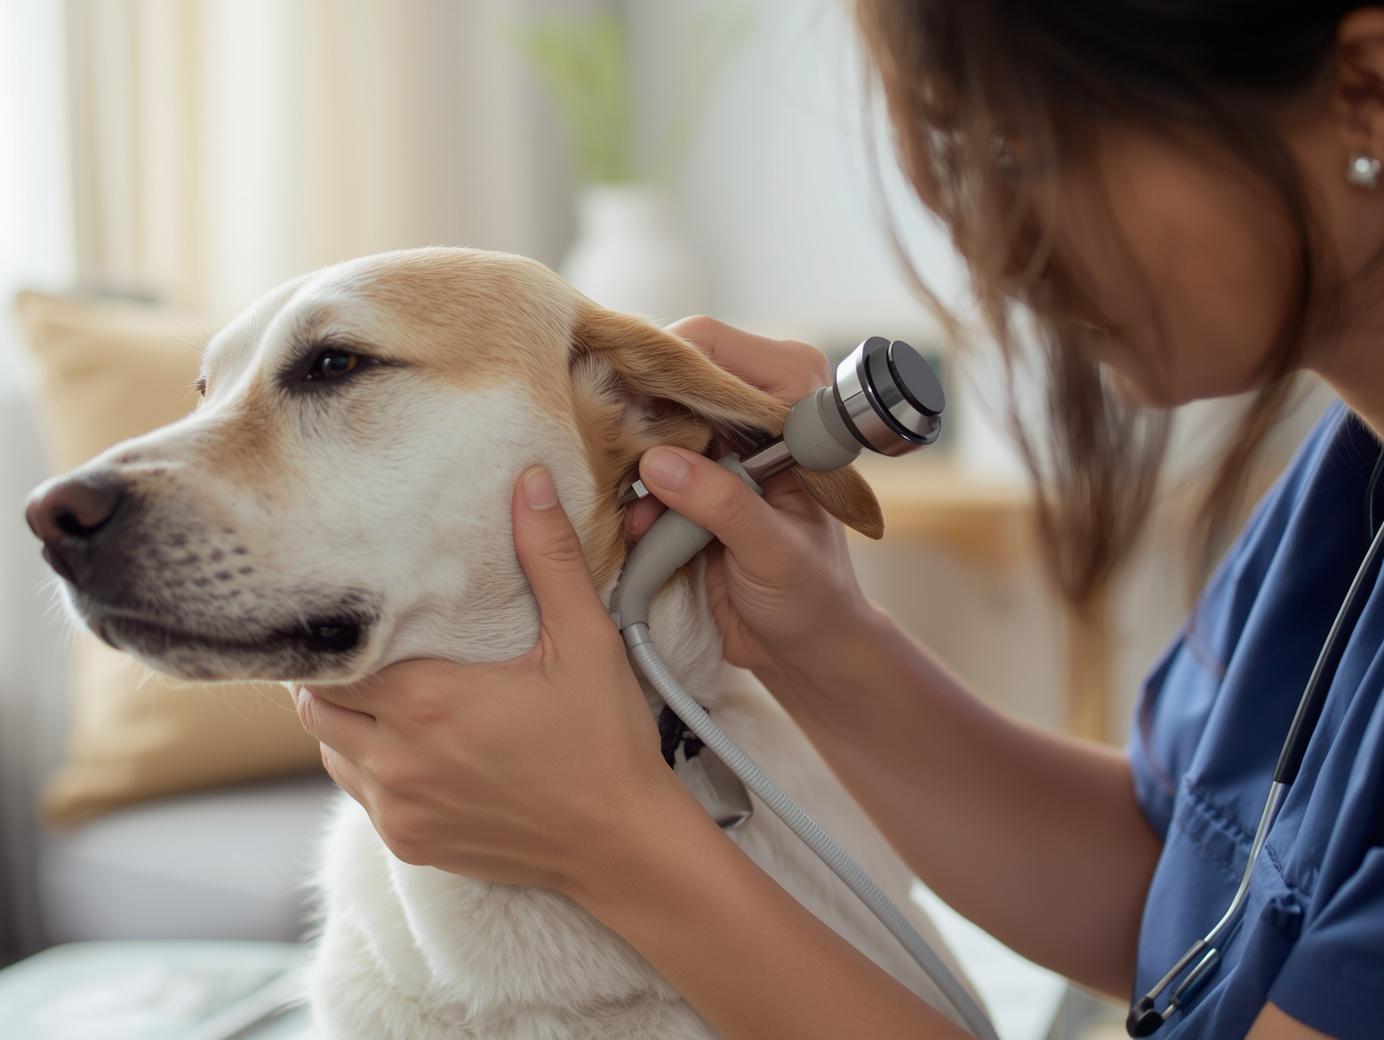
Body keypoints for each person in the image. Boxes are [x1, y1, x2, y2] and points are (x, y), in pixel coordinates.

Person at [292, 5, 1384, 1038]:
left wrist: (613, 839)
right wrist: (819, 643)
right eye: (966, 163)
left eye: (1025, 152)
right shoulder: (1343, 492)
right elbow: (1194, 890)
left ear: (1366, 90)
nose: (990, 261)